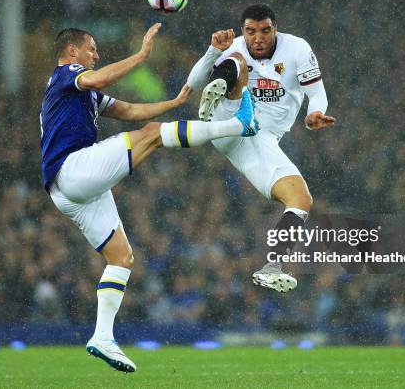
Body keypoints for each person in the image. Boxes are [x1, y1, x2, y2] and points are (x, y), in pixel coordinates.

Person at [41, 23, 258, 373]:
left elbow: (127, 110)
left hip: (69, 190)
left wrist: (173, 102)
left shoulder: (83, 92)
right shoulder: (67, 75)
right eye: (91, 49)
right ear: (72, 52)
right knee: (154, 136)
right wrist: (142, 56)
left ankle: (102, 337)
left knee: (122, 258)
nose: (96, 55)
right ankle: (239, 125)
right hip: (72, 169)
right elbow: (97, 80)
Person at [187, 4, 336, 293]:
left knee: (301, 199)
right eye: (251, 31)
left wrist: (313, 114)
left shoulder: (297, 49)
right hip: (228, 116)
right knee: (238, 60)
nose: (258, 38)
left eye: (265, 30)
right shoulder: (238, 46)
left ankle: (273, 267)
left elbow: (316, 93)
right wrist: (212, 51)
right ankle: (220, 90)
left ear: (275, 28)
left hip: (257, 139)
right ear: (244, 30)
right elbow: (191, 84)